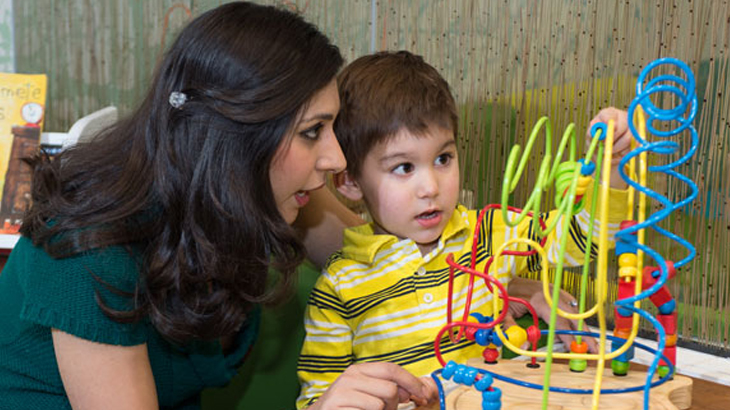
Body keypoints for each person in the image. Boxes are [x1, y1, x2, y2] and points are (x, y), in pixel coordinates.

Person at [0, 3, 434, 410]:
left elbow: (392, 265)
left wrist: (489, 281)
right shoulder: (92, 251)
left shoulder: (255, 186)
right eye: (312, 131)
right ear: (232, 139)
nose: (337, 158)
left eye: (331, 127)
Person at [296, 50, 632, 408]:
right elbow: (319, 398)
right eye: (403, 168)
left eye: (443, 159)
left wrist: (611, 167)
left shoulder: (491, 233)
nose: (431, 187)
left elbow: (581, 239)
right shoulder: (338, 289)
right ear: (349, 182)